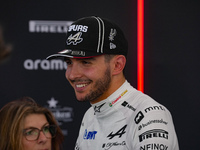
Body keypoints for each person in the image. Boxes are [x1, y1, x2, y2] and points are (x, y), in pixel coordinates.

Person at [46, 16, 179, 150]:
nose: (72, 74)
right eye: (69, 63)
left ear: (117, 65)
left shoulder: (149, 115)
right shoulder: (90, 116)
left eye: (85, 62)